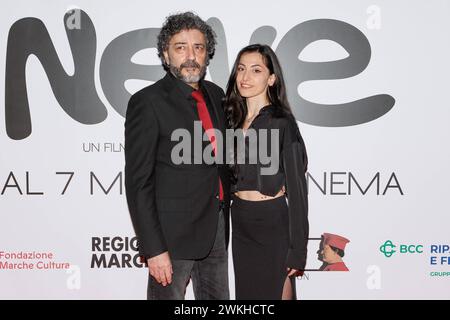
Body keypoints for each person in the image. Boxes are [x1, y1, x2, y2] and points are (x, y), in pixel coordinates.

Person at [124, 12, 230, 300]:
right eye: (180, 47)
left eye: (198, 47)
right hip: (171, 239)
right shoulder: (147, 102)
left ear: (207, 55)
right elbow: (138, 183)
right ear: (165, 55)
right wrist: (154, 249)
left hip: (216, 230)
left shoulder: (218, 95)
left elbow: (224, 161)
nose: (190, 56)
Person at [224, 44, 309, 300]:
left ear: (271, 78)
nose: (245, 77)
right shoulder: (230, 121)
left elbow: (298, 192)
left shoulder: (282, 123)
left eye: (256, 70)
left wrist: (298, 250)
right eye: (241, 69)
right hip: (240, 221)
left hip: (272, 222)